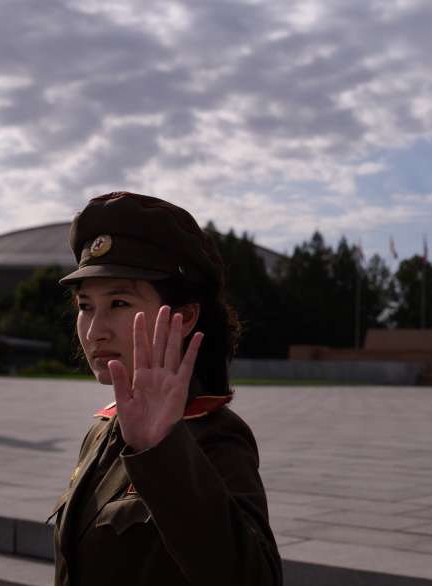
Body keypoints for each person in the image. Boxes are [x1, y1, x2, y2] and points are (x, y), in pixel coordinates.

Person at [50, 191, 282, 585]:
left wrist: (162, 451)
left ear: (185, 315)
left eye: (119, 303)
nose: (94, 330)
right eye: (85, 305)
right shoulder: (101, 431)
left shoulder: (215, 437)